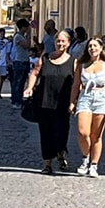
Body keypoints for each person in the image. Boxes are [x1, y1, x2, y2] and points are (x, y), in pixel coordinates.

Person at [23, 30, 73, 174]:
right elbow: (35, 73)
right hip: (44, 100)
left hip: (63, 103)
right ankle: (47, 163)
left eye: (63, 41)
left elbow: (77, 82)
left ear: (68, 43)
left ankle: (60, 153)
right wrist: (29, 88)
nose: (60, 43)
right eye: (58, 41)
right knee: (46, 133)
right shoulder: (45, 58)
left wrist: (75, 99)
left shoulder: (73, 61)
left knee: (61, 132)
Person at [71, 36, 105, 177]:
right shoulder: (81, 64)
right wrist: (72, 101)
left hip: (101, 97)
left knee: (96, 135)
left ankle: (94, 165)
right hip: (85, 96)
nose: (92, 48)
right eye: (90, 46)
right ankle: (85, 158)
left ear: (101, 48)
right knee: (83, 132)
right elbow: (76, 84)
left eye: (95, 46)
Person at [10, 19, 32, 110]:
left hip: (25, 61)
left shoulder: (22, 36)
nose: (27, 29)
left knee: (22, 82)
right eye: (26, 27)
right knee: (17, 83)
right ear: (22, 27)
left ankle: (19, 99)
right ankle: (15, 101)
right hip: (19, 61)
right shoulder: (18, 37)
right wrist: (29, 36)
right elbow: (26, 45)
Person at [0, 27, 10, 98]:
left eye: (3, 34)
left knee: (1, 78)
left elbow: (7, 53)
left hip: (3, 62)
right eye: (1, 34)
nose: (2, 35)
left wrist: (8, 62)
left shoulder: (7, 42)